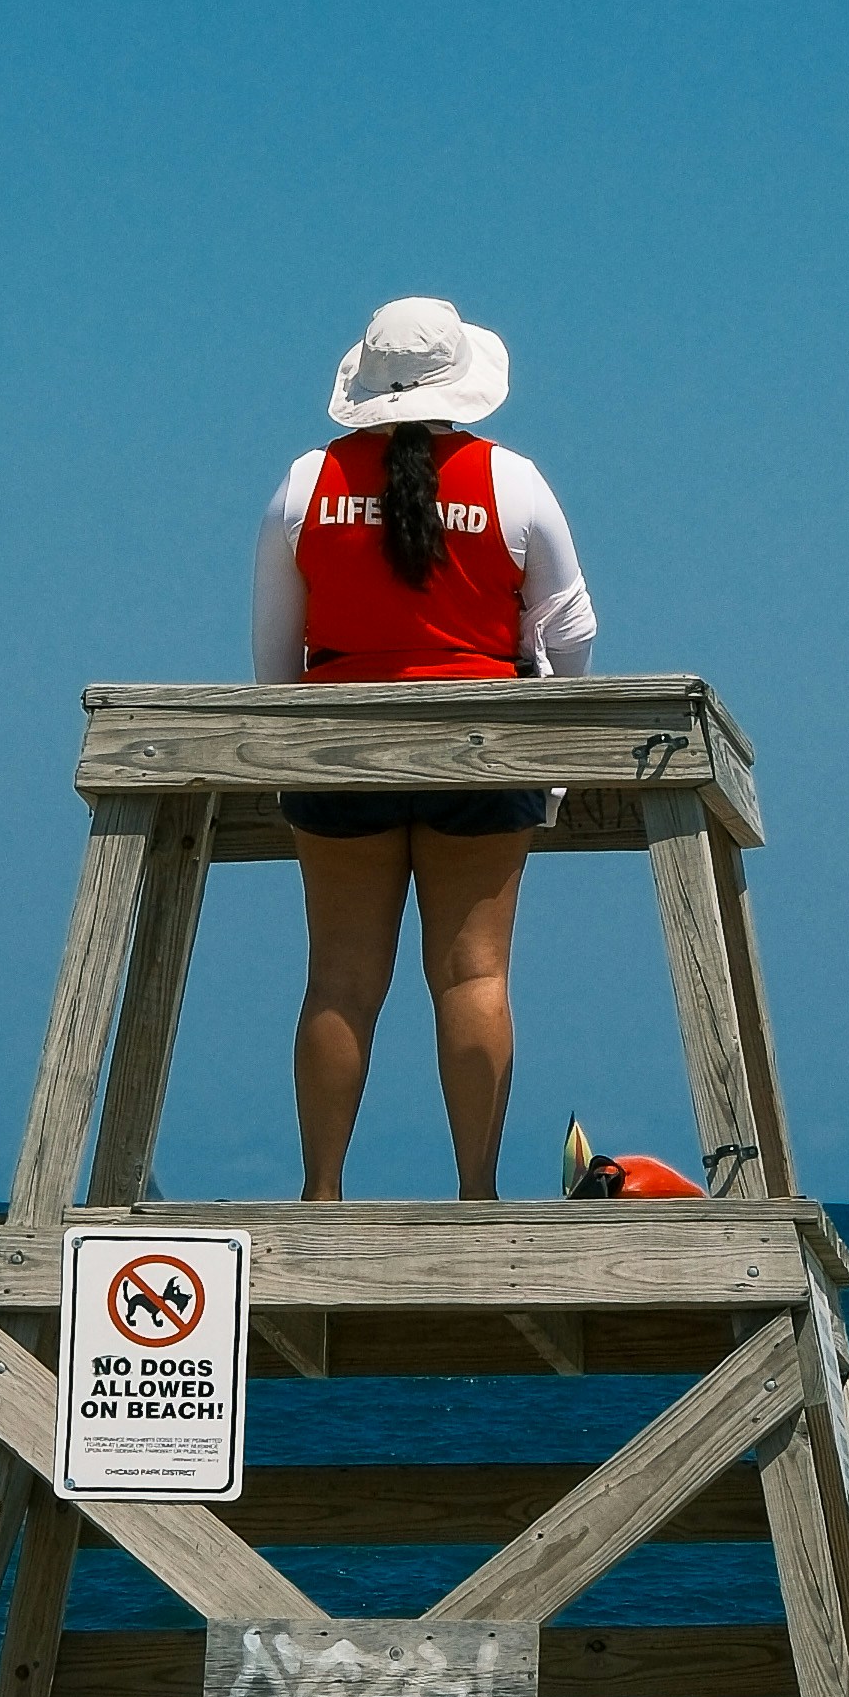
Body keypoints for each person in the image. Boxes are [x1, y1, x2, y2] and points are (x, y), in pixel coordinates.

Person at [251, 297, 596, 1200]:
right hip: (483, 746)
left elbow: (272, 658)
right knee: (473, 973)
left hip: (337, 747)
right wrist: (547, 755)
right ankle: (476, 1192)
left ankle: (321, 1194)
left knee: (338, 980)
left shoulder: (303, 483)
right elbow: (572, 630)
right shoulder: (511, 480)